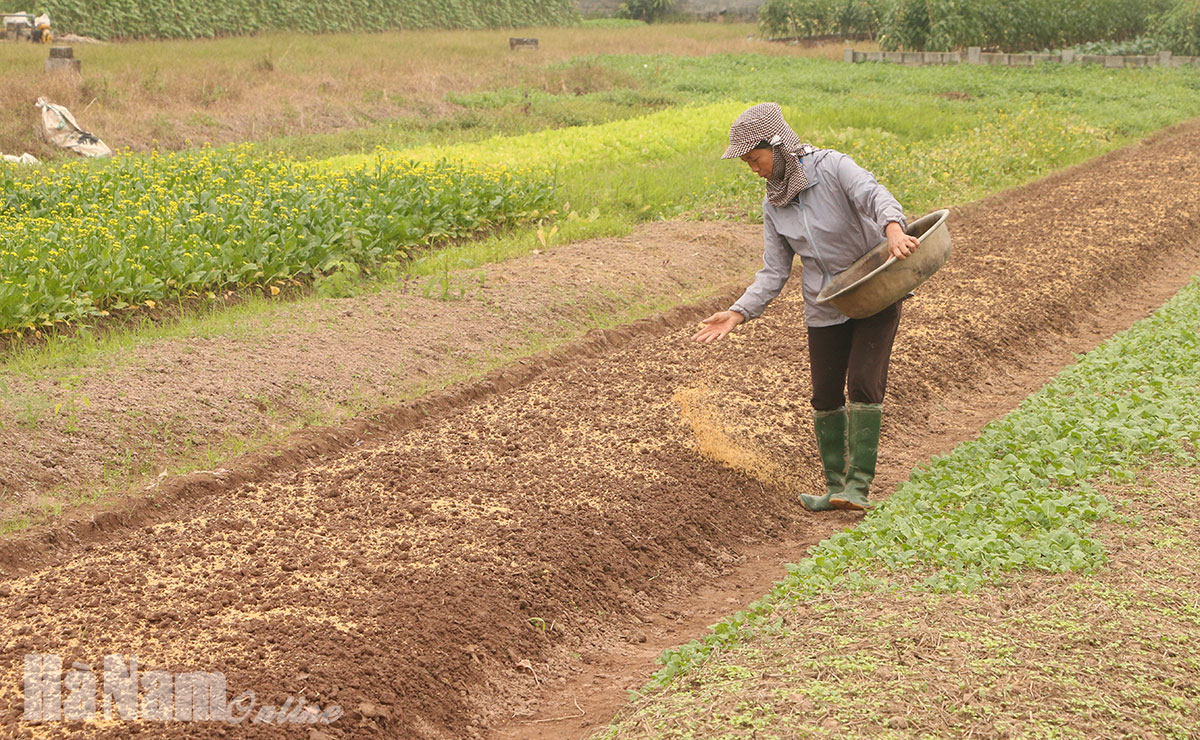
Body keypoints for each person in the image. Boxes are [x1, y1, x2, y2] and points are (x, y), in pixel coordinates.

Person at [692, 102, 920, 512]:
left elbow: (874, 195)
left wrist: (893, 230)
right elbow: (774, 271)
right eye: (746, 163)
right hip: (825, 303)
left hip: (875, 289)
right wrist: (738, 312)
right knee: (825, 395)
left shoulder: (832, 167)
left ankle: (858, 487)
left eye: (755, 158)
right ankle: (834, 487)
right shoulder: (774, 204)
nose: (753, 169)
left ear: (777, 146)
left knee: (863, 383)